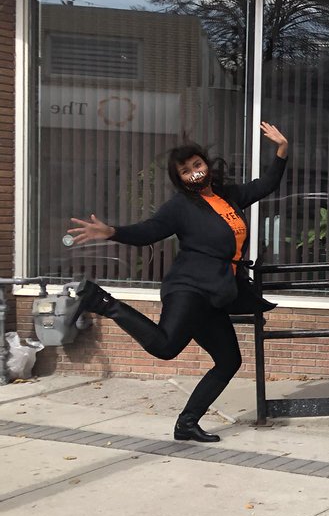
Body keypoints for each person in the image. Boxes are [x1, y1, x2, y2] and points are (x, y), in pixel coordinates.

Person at [65, 122, 290, 444]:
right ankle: (102, 302)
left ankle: (187, 424)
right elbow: (149, 231)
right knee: (166, 346)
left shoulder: (228, 195)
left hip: (215, 293)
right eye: (186, 171)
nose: (194, 173)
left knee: (229, 361)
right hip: (188, 288)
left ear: (206, 165)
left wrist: (282, 148)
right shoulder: (180, 207)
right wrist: (113, 231)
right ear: (180, 179)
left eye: (197, 165)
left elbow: (267, 184)